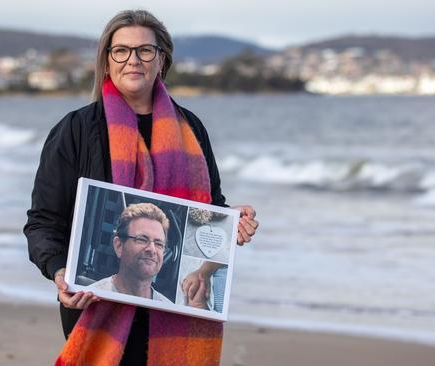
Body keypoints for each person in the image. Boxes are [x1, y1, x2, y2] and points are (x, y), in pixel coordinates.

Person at [24, 9, 259, 366]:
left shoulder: (191, 128)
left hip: (175, 311)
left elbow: (210, 210)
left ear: (161, 59)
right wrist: (60, 273)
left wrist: (231, 222)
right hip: (96, 307)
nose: (133, 60)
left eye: (145, 51)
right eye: (121, 51)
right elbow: (43, 222)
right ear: (107, 60)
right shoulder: (75, 130)